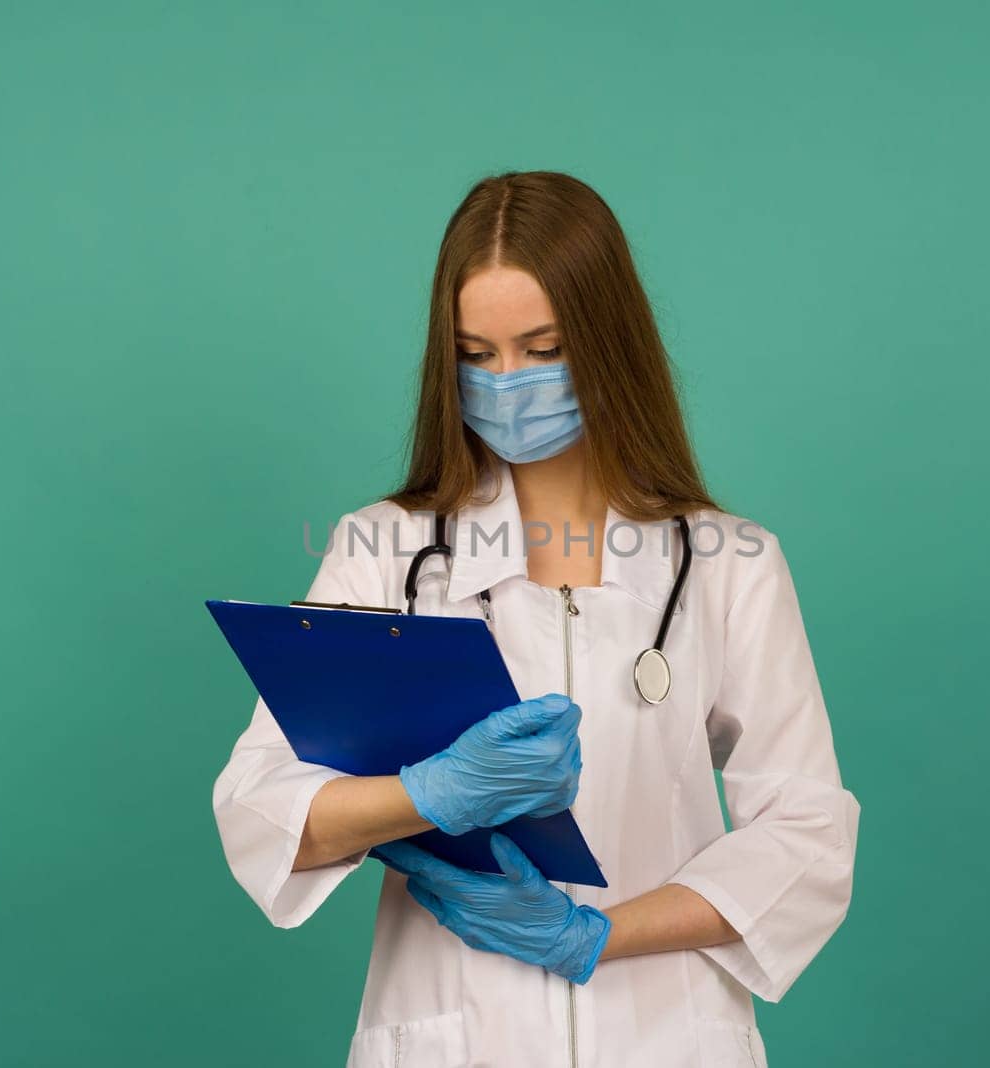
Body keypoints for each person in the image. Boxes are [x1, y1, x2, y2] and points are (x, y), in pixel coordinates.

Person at [211, 170, 861, 1068]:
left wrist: (594, 933)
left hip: (665, 1037)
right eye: (476, 355)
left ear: (608, 343)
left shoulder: (724, 564)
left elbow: (808, 837)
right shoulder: (384, 549)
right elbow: (258, 806)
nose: (506, 383)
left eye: (542, 347)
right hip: (452, 1033)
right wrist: (428, 795)